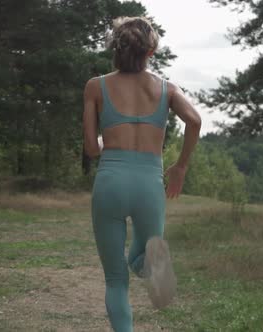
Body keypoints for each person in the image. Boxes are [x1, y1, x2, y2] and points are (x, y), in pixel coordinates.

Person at [82, 16, 201, 332]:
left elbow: (91, 149)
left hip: (110, 181)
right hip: (150, 183)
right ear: (150, 53)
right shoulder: (167, 89)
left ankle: (141, 269)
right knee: (146, 250)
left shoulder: (96, 86)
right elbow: (195, 121)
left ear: (116, 50)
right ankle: (149, 264)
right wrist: (180, 167)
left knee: (115, 280)